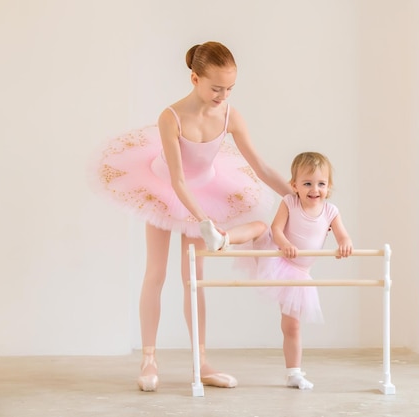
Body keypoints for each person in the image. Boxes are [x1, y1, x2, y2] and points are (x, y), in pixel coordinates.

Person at [90, 41, 293, 392]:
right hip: (165, 189)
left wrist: (296, 195)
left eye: (230, 88)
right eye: (216, 88)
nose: (223, 95)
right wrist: (204, 220)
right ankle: (149, 359)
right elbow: (178, 178)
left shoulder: (230, 115)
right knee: (156, 272)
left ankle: (202, 359)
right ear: (195, 78)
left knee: (194, 278)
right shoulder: (171, 116)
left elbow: (259, 167)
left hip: (206, 191)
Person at [250, 151, 353, 390]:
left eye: (321, 184)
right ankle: (224, 240)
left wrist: (344, 244)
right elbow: (276, 229)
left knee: (292, 326)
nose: (314, 189)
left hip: (299, 273)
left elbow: (342, 235)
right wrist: (284, 244)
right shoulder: (289, 203)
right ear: (294, 185)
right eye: (307, 183)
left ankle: (293, 373)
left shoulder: (331, 212)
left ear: (328, 187)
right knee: (259, 228)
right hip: (278, 259)